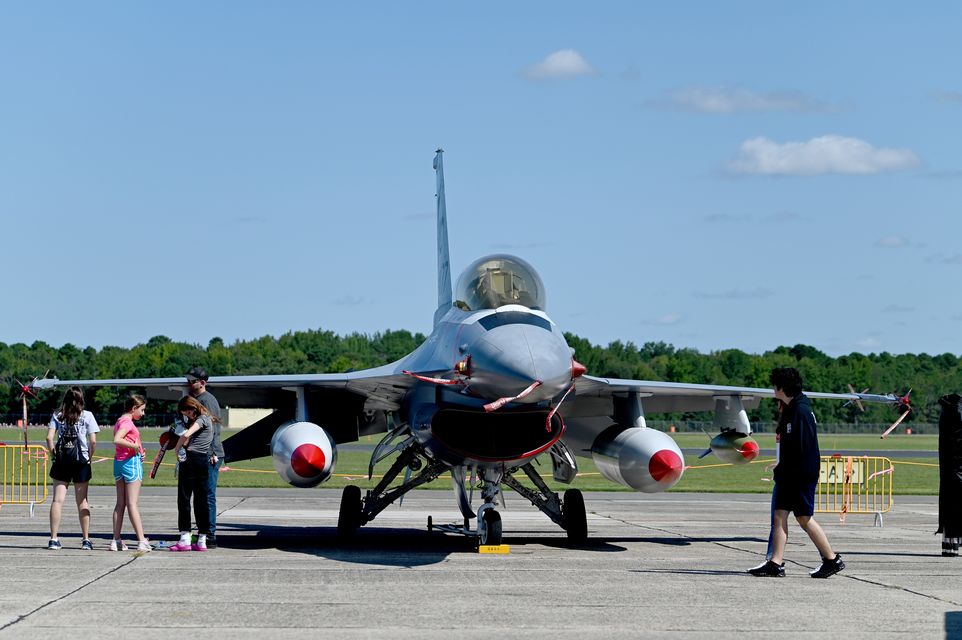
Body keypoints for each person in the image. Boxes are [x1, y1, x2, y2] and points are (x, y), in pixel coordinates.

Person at [749, 367, 845, 578]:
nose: (773, 389)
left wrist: (787, 468)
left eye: (775, 385)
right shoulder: (793, 408)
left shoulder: (800, 411)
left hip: (800, 475)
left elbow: (803, 448)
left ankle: (831, 559)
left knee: (804, 518)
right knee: (779, 515)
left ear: (781, 387)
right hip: (789, 473)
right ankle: (776, 562)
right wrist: (781, 465)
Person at [45, 386, 100, 550]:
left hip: (62, 461)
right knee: (82, 501)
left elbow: (49, 437)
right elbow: (93, 441)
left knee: (57, 500)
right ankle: (85, 539)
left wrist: (54, 454)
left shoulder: (57, 415)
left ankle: (53, 538)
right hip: (81, 461)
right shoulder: (87, 416)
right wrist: (89, 457)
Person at [169, 395, 214, 551]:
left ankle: (185, 538)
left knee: (184, 498)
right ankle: (202, 538)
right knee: (201, 500)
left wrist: (177, 449)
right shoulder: (207, 419)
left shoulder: (202, 419)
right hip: (202, 461)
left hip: (190, 460)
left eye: (187, 412)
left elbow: (186, 435)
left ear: (192, 408)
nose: (186, 415)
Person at [185, 366, 223, 548]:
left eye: (193, 381)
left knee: (208, 494)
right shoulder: (195, 400)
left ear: (203, 382)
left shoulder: (207, 400)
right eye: (188, 380)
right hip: (199, 454)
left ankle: (210, 535)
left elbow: (214, 428)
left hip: (209, 454)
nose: (189, 383)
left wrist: (212, 453)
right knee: (199, 494)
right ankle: (202, 533)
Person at [111, 394, 151, 552]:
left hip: (119, 463)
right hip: (131, 464)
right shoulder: (127, 423)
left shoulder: (120, 420)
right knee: (132, 503)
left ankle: (116, 540)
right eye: (141, 410)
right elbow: (117, 439)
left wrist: (139, 449)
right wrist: (135, 448)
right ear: (133, 408)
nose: (143, 414)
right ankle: (141, 540)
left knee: (120, 503)